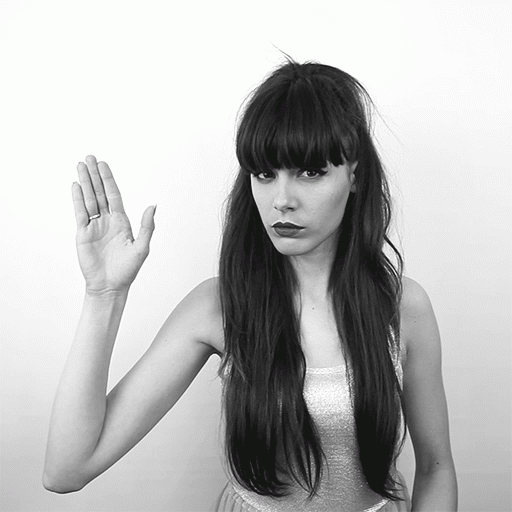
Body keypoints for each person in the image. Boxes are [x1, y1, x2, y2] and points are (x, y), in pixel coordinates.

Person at [43, 60, 457, 511]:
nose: (282, 200)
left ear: (354, 175)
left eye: (310, 172)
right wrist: (104, 295)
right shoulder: (219, 307)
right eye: (265, 174)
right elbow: (67, 470)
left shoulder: (403, 306)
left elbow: (435, 467)